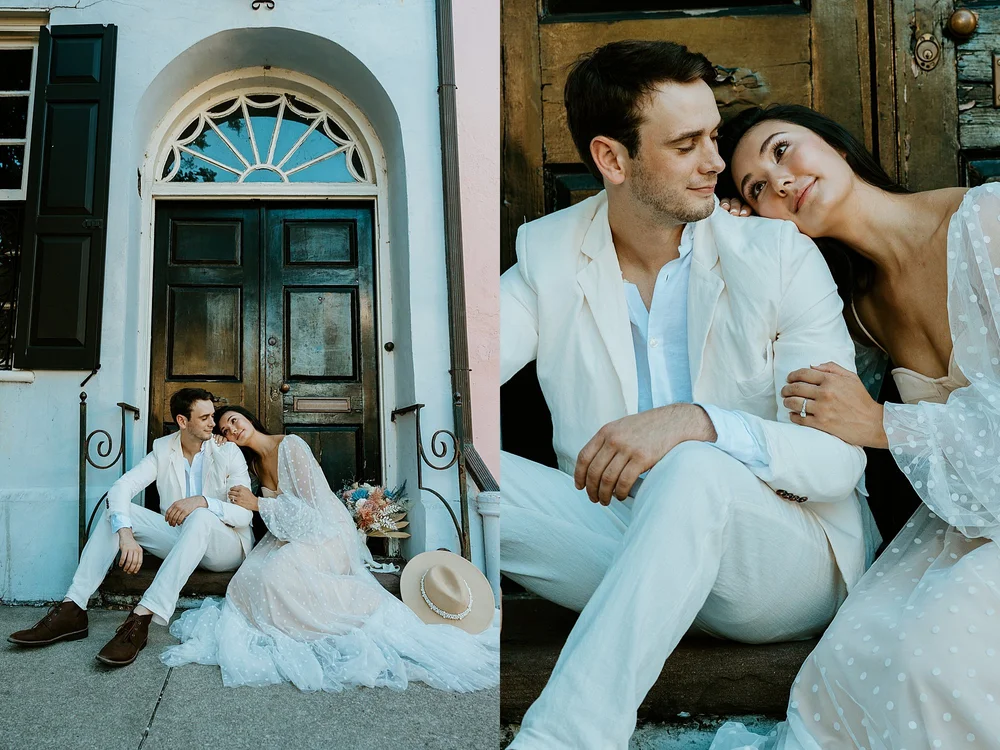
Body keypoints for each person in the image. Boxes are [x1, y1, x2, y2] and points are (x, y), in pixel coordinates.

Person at [499, 41, 880, 750]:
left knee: (694, 467)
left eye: (713, 136)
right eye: (687, 144)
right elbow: (455, 378)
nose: (715, 161)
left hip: (784, 563)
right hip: (622, 545)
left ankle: (562, 741)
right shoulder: (551, 255)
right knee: (468, 474)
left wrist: (699, 423)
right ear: (613, 160)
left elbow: (837, 466)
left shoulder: (776, 257)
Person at [709, 103, 1000, 750]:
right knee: (842, 671)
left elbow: (873, 425)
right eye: (757, 189)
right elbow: (766, 391)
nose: (780, 181)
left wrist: (883, 424)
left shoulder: (987, 220)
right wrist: (735, 245)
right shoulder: (859, 319)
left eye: (782, 151)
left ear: (833, 142)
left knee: (934, 659)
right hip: (964, 523)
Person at [159, 405, 499, 693]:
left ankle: (331, 623)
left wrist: (259, 505)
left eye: (235, 420)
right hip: (288, 533)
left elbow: (312, 514)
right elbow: (231, 492)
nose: (232, 430)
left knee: (276, 574)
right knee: (247, 579)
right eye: (224, 430)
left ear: (248, 418)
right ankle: (285, 622)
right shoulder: (250, 465)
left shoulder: (291, 446)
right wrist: (218, 451)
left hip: (324, 533)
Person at [8, 388, 254, 667]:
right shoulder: (163, 449)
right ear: (183, 421)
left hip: (226, 546)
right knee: (114, 510)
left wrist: (202, 501)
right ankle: (73, 608)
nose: (213, 422)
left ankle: (141, 617)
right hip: (181, 538)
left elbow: (244, 516)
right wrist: (126, 534)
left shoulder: (227, 451)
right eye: (205, 417)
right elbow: (122, 487)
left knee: (199, 516)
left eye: (213, 416)